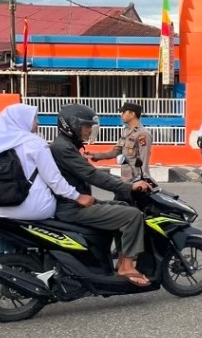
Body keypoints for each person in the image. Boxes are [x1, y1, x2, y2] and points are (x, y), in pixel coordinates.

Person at [50, 104, 153, 287]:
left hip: (74, 203)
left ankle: (121, 260)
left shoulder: (66, 146)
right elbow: (92, 175)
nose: (89, 130)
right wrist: (128, 187)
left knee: (124, 207)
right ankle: (127, 267)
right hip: (71, 208)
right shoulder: (63, 148)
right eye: (86, 126)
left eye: (90, 126)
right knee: (132, 215)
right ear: (72, 125)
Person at [0, 104, 93, 221]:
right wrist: (77, 196)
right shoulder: (34, 142)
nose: (38, 122)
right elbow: (53, 178)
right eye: (34, 118)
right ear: (21, 119)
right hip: (35, 209)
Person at [90, 101, 152, 181]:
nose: (121, 114)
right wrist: (96, 155)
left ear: (132, 114)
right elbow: (116, 152)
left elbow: (144, 160)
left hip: (137, 180)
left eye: (123, 112)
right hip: (126, 179)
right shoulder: (126, 132)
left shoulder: (143, 134)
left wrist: (143, 180)